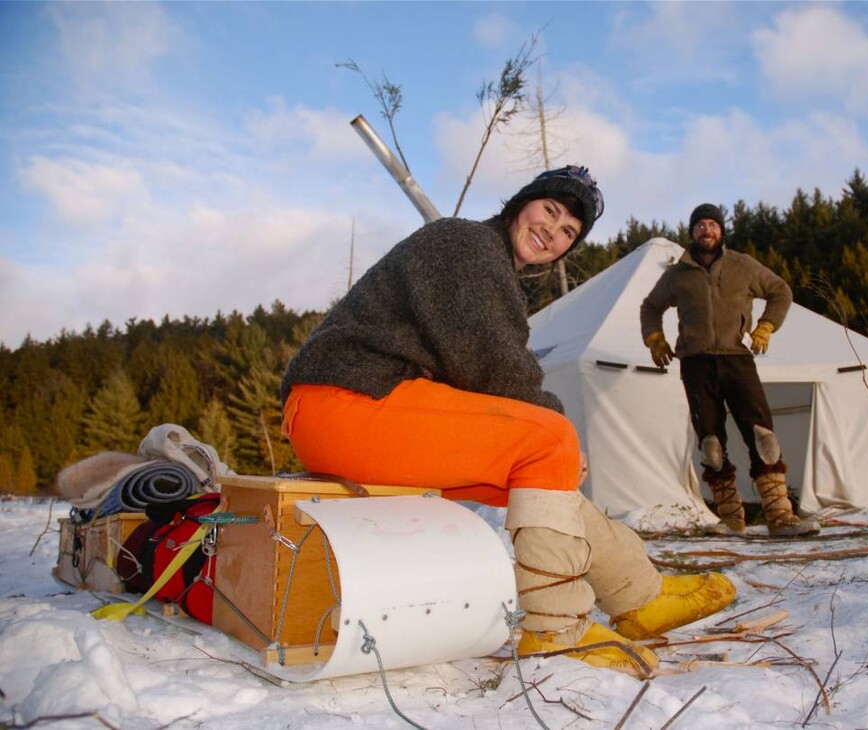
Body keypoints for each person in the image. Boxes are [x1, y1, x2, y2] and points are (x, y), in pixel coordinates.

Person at [280, 167, 735, 675]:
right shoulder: (464, 243)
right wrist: (558, 436)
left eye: (568, 232)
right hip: (345, 402)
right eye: (551, 211)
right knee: (549, 439)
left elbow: (485, 376)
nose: (553, 231)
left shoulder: (488, 263)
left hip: (361, 409)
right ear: (522, 203)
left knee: (541, 483)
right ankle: (555, 629)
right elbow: (496, 367)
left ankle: (639, 593)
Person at [640, 203, 820, 538]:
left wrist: (766, 326)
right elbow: (650, 306)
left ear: (721, 230)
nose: (706, 230)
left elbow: (781, 291)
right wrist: (654, 338)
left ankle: (780, 516)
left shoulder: (742, 265)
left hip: (737, 359)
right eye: (700, 226)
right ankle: (731, 519)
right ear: (692, 232)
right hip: (695, 364)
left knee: (762, 436)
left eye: (712, 224)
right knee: (711, 443)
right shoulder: (678, 274)